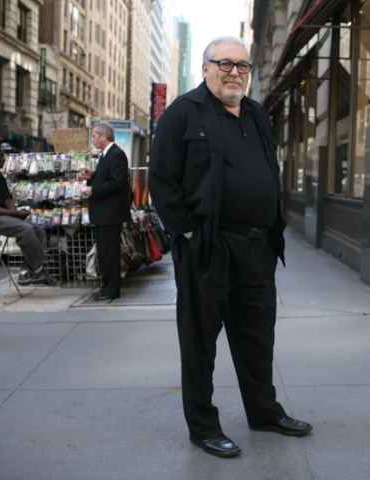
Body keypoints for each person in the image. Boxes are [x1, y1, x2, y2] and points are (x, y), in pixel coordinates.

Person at [149, 36, 312, 459]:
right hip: (209, 249)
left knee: (258, 338)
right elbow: (163, 181)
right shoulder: (182, 114)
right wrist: (187, 234)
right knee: (201, 342)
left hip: (258, 249)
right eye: (225, 64)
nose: (234, 72)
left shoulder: (257, 114)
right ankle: (203, 426)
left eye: (241, 66)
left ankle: (264, 412)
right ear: (206, 69)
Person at [0, 145, 56, 286]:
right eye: (0, 156)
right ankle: (39, 269)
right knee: (25, 229)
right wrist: (13, 213)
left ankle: (25, 272)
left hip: (4, 216)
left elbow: (7, 199)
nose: (4, 159)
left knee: (39, 231)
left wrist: (16, 213)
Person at [82, 122, 131, 301]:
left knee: (109, 253)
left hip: (111, 213)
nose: (92, 139)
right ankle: (106, 287)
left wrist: (94, 190)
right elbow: (107, 178)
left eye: (94, 135)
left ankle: (111, 290)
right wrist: (92, 178)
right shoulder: (106, 155)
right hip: (103, 213)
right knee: (103, 252)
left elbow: (117, 183)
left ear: (103, 136)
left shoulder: (117, 154)